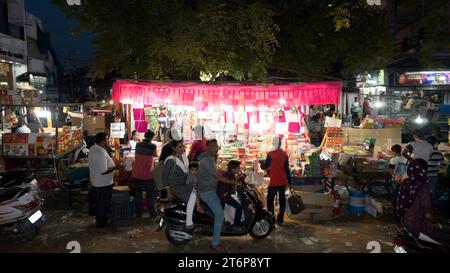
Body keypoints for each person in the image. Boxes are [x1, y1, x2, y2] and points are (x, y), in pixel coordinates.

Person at [396, 159, 450, 245]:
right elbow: (428, 215)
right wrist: (436, 222)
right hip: (419, 228)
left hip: (404, 224)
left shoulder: (405, 183)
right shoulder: (423, 186)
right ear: (423, 171)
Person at [197, 139, 235, 252]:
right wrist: (233, 182)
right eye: (213, 146)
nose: (215, 148)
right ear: (207, 148)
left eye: (216, 146)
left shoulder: (208, 158)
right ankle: (215, 243)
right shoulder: (206, 160)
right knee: (220, 215)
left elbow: (215, 172)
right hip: (207, 191)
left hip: (209, 189)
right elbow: (217, 177)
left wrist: (225, 173)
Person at [88, 133, 122, 228]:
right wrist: (116, 167)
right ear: (103, 140)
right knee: (102, 204)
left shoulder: (95, 149)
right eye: (107, 139)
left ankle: (102, 220)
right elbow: (103, 171)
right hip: (102, 184)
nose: (108, 141)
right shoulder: (99, 152)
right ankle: (101, 223)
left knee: (101, 203)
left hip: (99, 182)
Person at [260, 136, 292, 226]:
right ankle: (280, 219)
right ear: (280, 143)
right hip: (282, 181)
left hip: (274, 182)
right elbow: (287, 169)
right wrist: (289, 181)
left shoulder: (270, 154)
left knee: (270, 201)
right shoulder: (284, 154)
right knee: (282, 201)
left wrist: (261, 163)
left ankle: (272, 219)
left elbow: (265, 166)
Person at [131, 130, 158, 218]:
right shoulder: (153, 146)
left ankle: (139, 213)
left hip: (137, 173)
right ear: (152, 137)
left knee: (138, 194)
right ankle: (152, 213)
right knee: (150, 195)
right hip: (147, 174)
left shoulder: (138, 144)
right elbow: (155, 154)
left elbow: (136, 155)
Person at [218, 160, 245, 226]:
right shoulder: (230, 174)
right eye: (238, 167)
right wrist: (238, 182)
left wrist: (237, 178)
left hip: (223, 194)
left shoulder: (228, 173)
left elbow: (231, 182)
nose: (239, 169)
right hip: (225, 195)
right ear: (233, 169)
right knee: (239, 207)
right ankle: (236, 225)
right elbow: (234, 187)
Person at [185, 162, 205, 229]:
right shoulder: (189, 176)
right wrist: (193, 184)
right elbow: (188, 184)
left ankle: (199, 207)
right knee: (194, 196)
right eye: (192, 170)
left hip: (195, 190)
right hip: (190, 191)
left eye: (196, 170)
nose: (194, 171)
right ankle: (189, 222)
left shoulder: (197, 175)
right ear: (189, 170)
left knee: (197, 194)